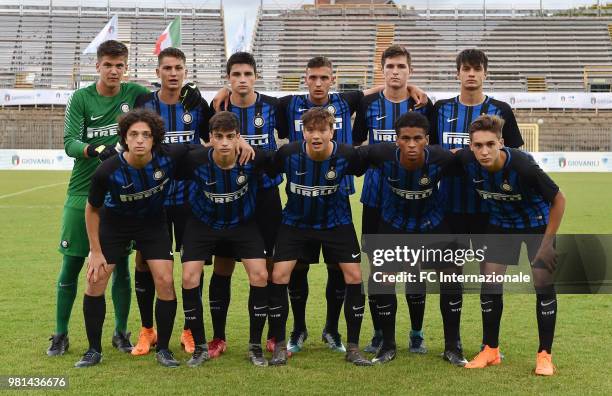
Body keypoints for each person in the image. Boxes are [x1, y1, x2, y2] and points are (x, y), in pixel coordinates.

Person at [428, 49, 524, 362]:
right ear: (457, 73)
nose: (471, 74)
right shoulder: (440, 110)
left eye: (477, 69)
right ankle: (451, 346)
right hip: (449, 207)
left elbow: (515, 159)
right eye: (465, 69)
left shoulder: (502, 110)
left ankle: (489, 346)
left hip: (491, 211)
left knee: (491, 279)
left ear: (485, 73)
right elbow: (429, 152)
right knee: (449, 277)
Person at [74, 109, 188, 368]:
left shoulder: (169, 158)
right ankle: (93, 350)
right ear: (124, 138)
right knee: (95, 280)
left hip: (153, 224)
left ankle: (164, 350)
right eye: (133, 134)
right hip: (115, 226)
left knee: (165, 280)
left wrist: (236, 141)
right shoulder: (107, 171)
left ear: (155, 139)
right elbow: (91, 209)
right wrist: (95, 251)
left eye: (146, 135)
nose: (139, 140)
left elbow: (205, 149)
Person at [457, 115, 564, 376]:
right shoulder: (465, 160)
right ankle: (490, 350)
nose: (484, 151)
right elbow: (439, 155)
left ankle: (544, 356)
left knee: (543, 285)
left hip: (535, 225)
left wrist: (547, 244)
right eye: (478, 145)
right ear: (470, 146)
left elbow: (559, 200)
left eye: (490, 144)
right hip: (501, 225)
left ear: (501, 143)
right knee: (490, 284)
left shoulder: (523, 166)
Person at [266, 107, 372, 367]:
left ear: (332, 131)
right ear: (303, 131)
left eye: (322, 130)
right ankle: (281, 345)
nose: (316, 135)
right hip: (295, 222)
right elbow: (266, 168)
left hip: (336, 222)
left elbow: (372, 158)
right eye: (310, 130)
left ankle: (354, 348)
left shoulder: (346, 154)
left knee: (355, 277)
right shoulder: (288, 153)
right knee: (279, 275)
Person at [356, 112, 465, 365]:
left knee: (451, 276)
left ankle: (453, 346)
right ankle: (388, 344)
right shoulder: (381, 154)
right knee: (381, 279)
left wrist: (465, 152)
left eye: (418, 138)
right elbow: (349, 155)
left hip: (432, 223)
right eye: (406, 138)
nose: (412, 144)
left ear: (427, 139)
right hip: (393, 223)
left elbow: (472, 160)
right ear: (397, 140)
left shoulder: (441, 158)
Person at [352, 44, 434, 355]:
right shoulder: (369, 104)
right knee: (379, 268)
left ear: (409, 71)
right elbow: (358, 142)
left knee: (414, 269)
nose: (395, 72)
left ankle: (416, 332)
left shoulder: (425, 106)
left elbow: (434, 149)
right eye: (390, 67)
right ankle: (379, 332)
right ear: (382, 71)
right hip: (375, 197)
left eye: (401, 67)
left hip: (413, 199)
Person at [204, 52, 286, 359]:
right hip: (229, 199)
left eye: (247, 74)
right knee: (223, 266)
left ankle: (273, 336)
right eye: (236, 74)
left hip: (265, 197)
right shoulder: (217, 108)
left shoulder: (274, 107)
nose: (242, 80)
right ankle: (218, 337)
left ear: (255, 76)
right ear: (228, 78)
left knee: (269, 268)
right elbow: (205, 144)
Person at [131, 47, 213, 356]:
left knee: (193, 265)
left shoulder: (196, 104)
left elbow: (214, 137)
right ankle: (147, 330)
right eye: (167, 68)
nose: (173, 73)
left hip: (191, 197)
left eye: (178, 67)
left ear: (186, 72)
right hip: (153, 197)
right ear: (158, 73)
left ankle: (189, 330)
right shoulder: (145, 104)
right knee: (144, 261)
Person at [177, 111, 271, 367]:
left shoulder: (253, 158)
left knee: (260, 275)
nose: (225, 143)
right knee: (189, 277)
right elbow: (166, 153)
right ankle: (200, 347)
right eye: (219, 137)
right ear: (210, 139)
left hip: (242, 224)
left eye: (231, 137)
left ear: (239, 137)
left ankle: (255, 346)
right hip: (202, 223)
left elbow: (280, 161)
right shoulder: (195, 159)